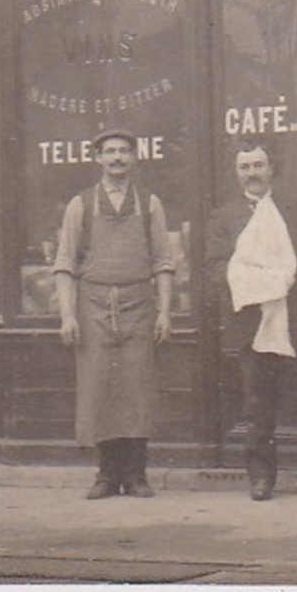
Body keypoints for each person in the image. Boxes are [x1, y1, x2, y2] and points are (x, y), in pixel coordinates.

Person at [53, 128, 173, 499]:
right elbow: (65, 263)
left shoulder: (150, 203)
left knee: (137, 388)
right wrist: (67, 315)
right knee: (99, 387)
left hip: (139, 303)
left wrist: (165, 312)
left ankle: (137, 475)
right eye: (110, 152)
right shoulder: (81, 205)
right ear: (98, 159)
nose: (118, 158)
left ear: (135, 158)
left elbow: (163, 262)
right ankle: (106, 475)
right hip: (93, 305)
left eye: (124, 151)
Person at [203, 140, 297, 501]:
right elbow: (215, 268)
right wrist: (260, 279)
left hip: (295, 316)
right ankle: (261, 477)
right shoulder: (223, 217)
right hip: (251, 322)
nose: (252, 173)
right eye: (245, 167)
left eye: (258, 165)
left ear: (271, 169)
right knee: (258, 403)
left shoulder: (294, 211)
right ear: (237, 173)